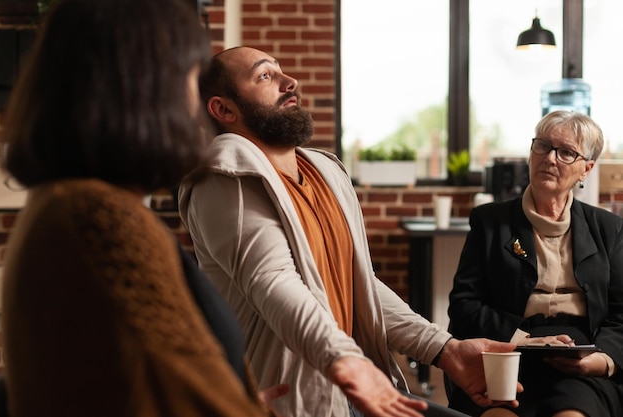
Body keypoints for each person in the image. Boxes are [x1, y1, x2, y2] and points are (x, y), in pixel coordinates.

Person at [178, 46, 522, 417]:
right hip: (292, 402)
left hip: (355, 389)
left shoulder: (323, 172)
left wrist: (445, 349)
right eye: (265, 76)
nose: (289, 81)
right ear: (224, 109)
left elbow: (362, 285)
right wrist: (348, 362)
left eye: (281, 70)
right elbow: (275, 283)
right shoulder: (226, 176)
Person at [0, 1, 284, 416]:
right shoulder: (98, 218)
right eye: (190, 77)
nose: (196, 104)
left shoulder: (66, 204)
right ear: (146, 88)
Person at [446, 110, 623, 417]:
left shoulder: (608, 229)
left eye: (566, 152)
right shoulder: (490, 222)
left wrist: (602, 360)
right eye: (543, 146)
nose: (550, 158)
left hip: (578, 362)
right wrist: (523, 340)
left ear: (586, 169)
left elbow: (621, 315)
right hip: (505, 353)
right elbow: (464, 306)